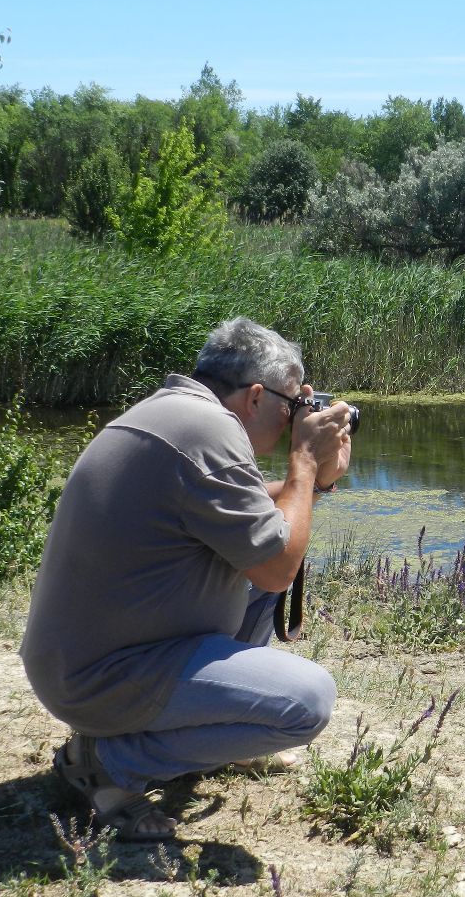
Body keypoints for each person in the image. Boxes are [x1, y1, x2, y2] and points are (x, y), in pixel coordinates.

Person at [20, 317, 352, 841]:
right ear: (257, 397)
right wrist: (304, 464)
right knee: (304, 704)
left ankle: (211, 737)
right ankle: (109, 761)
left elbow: (252, 520)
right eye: (292, 409)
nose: (294, 422)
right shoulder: (208, 432)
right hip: (100, 679)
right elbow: (276, 564)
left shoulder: (177, 414)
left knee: (264, 584)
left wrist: (313, 483)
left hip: (87, 658)